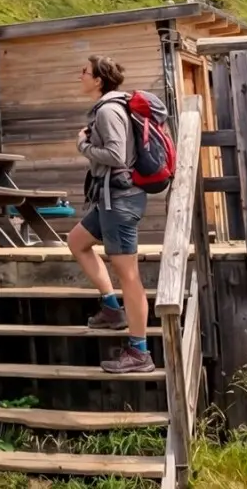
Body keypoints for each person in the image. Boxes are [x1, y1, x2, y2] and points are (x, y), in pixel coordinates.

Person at [66, 54, 155, 373]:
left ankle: (139, 352)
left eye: (84, 72)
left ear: (99, 80)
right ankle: (111, 308)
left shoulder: (108, 110)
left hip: (120, 200)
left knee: (128, 275)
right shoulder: (110, 108)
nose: (80, 76)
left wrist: (83, 146)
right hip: (109, 199)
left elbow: (116, 155)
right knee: (77, 241)